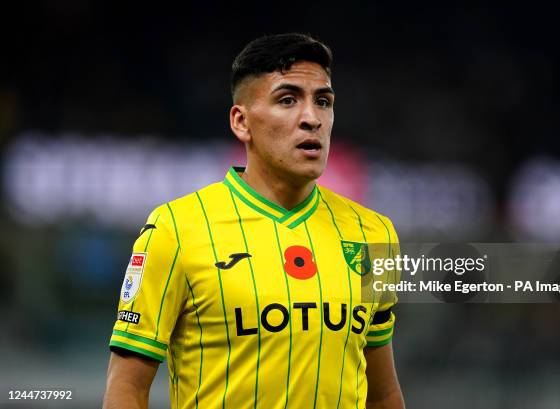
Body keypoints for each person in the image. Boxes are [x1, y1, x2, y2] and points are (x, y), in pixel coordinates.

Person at [103, 33, 404, 409]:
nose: (312, 118)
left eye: (323, 102)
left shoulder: (373, 233)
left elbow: (382, 394)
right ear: (241, 122)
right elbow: (127, 389)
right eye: (288, 100)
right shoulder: (176, 229)